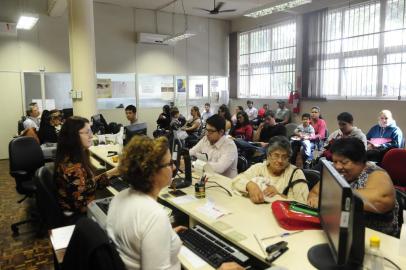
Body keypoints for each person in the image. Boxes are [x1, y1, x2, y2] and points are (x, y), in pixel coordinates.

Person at [106, 135, 243, 270]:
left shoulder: (119, 198)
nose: (173, 168)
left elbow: (136, 238)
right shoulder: (153, 216)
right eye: (169, 163)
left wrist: (166, 235)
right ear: (153, 172)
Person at [307, 137, 399, 236]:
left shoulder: (376, 173)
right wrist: (314, 200)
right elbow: (315, 192)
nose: (338, 167)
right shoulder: (338, 171)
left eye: (344, 162)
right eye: (335, 162)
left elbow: (380, 201)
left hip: (378, 239)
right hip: (343, 233)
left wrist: (331, 196)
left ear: (360, 161)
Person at [55, 116, 118, 215]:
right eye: (87, 132)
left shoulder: (74, 156)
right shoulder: (72, 168)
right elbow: (81, 207)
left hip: (82, 208)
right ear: (73, 135)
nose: (91, 135)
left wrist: (114, 172)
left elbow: (87, 185)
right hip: (78, 217)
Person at [232, 136, 309, 204]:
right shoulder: (259, 168)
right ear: (268, 155)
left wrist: (279, 195)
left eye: (284, 157)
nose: (280, 160)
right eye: (276, 155)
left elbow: (304, 204)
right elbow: (236, 181)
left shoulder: (296, 174)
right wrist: (250, 185)